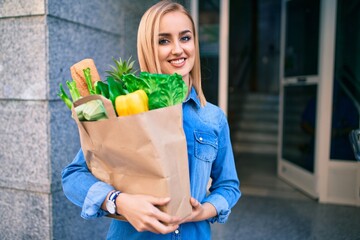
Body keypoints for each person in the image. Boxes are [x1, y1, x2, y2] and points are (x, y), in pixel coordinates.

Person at [62, 1, 241, 239]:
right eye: (164, 40)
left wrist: (201, 211)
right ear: (148, 47)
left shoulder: (213, 118)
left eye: (185, 38)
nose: (178, 49)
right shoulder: (125, 109)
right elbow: (73, 176)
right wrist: (119, 202)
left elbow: (228, 186)